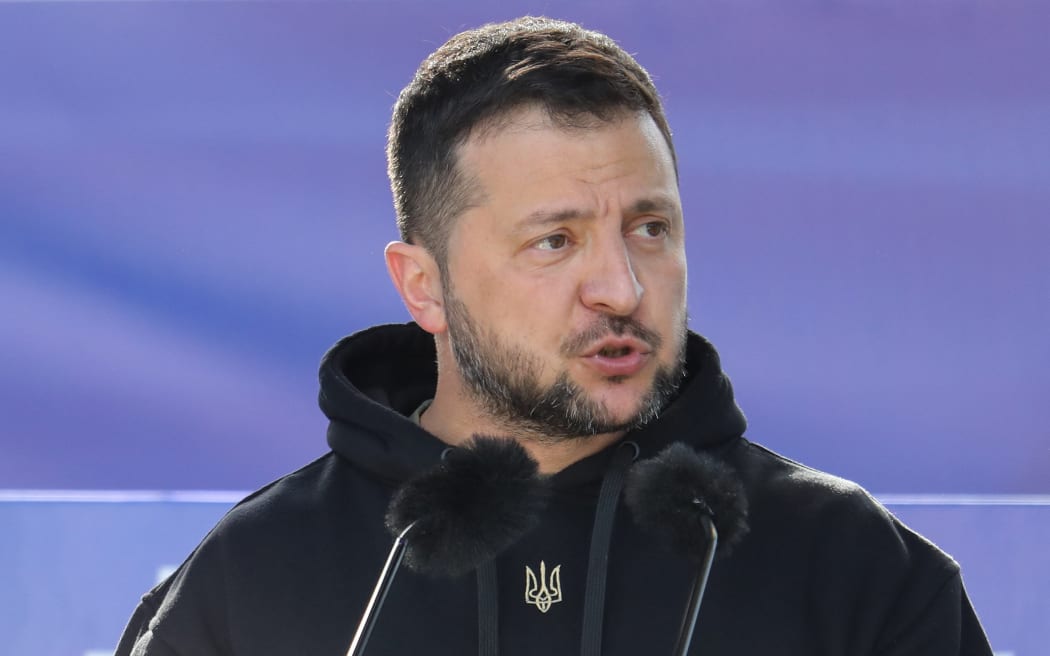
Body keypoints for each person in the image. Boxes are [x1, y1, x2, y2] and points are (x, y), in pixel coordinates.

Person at [116, 17, 993, 656]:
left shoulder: (853, 569)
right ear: (424, 285)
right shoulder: (254, 578)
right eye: (556, 240)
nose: (622, 286)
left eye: (650, 227)